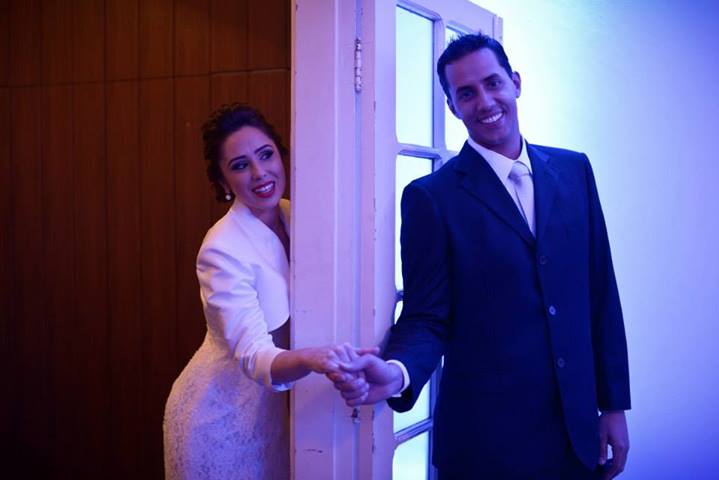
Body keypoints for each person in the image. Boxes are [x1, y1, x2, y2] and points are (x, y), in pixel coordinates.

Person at [331, 33, 631, 479]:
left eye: (493, 83)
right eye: (466, 93)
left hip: (577, 433)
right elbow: (427, 316)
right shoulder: (432, 198)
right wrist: (397, 372)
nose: (485, 101)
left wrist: (613, 405)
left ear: (515, 82)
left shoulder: (575, 171)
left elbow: (601, 293)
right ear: (453, 106)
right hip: (486, 444)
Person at [163, 104, 370, 480]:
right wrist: (314, 358)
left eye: (266, 155)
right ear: (223, 182)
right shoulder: (221, 248)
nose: (260, 173)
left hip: (273, 415)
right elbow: (254, 355)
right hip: (219, 418)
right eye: (240, 165)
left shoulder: (295, 214)